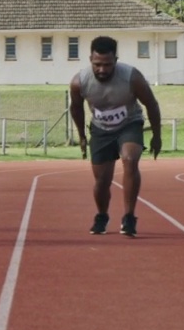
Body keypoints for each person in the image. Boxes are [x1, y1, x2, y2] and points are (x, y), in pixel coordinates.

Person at [68, 35, 162, 237]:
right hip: (101, 130)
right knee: (102, 180)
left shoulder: (132, 77)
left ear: (116, 60)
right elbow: (76, 109)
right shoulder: (79, 82)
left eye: (108, 65)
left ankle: (129, 217)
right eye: (97, 65)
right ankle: (102, 215)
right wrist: (82, 137)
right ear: (90, 60)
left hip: (129, 123)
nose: (102, 70)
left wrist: (157, 135)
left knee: (130, 159)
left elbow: (151, 104)